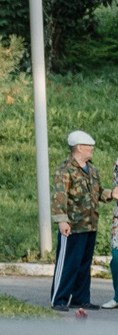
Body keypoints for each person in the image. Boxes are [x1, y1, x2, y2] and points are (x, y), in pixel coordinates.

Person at [52, 131, 111, 311]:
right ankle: (59, 299)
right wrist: (62, 221)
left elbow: (98, 192)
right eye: (89, 146)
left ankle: (81, 298)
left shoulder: (92, 170)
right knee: (68, 263)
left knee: (84, 265)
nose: (92, 149)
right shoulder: (65, 169)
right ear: (79, 148)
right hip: (73, 226)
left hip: (90, 224)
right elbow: (59, 197)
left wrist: (110, 194)